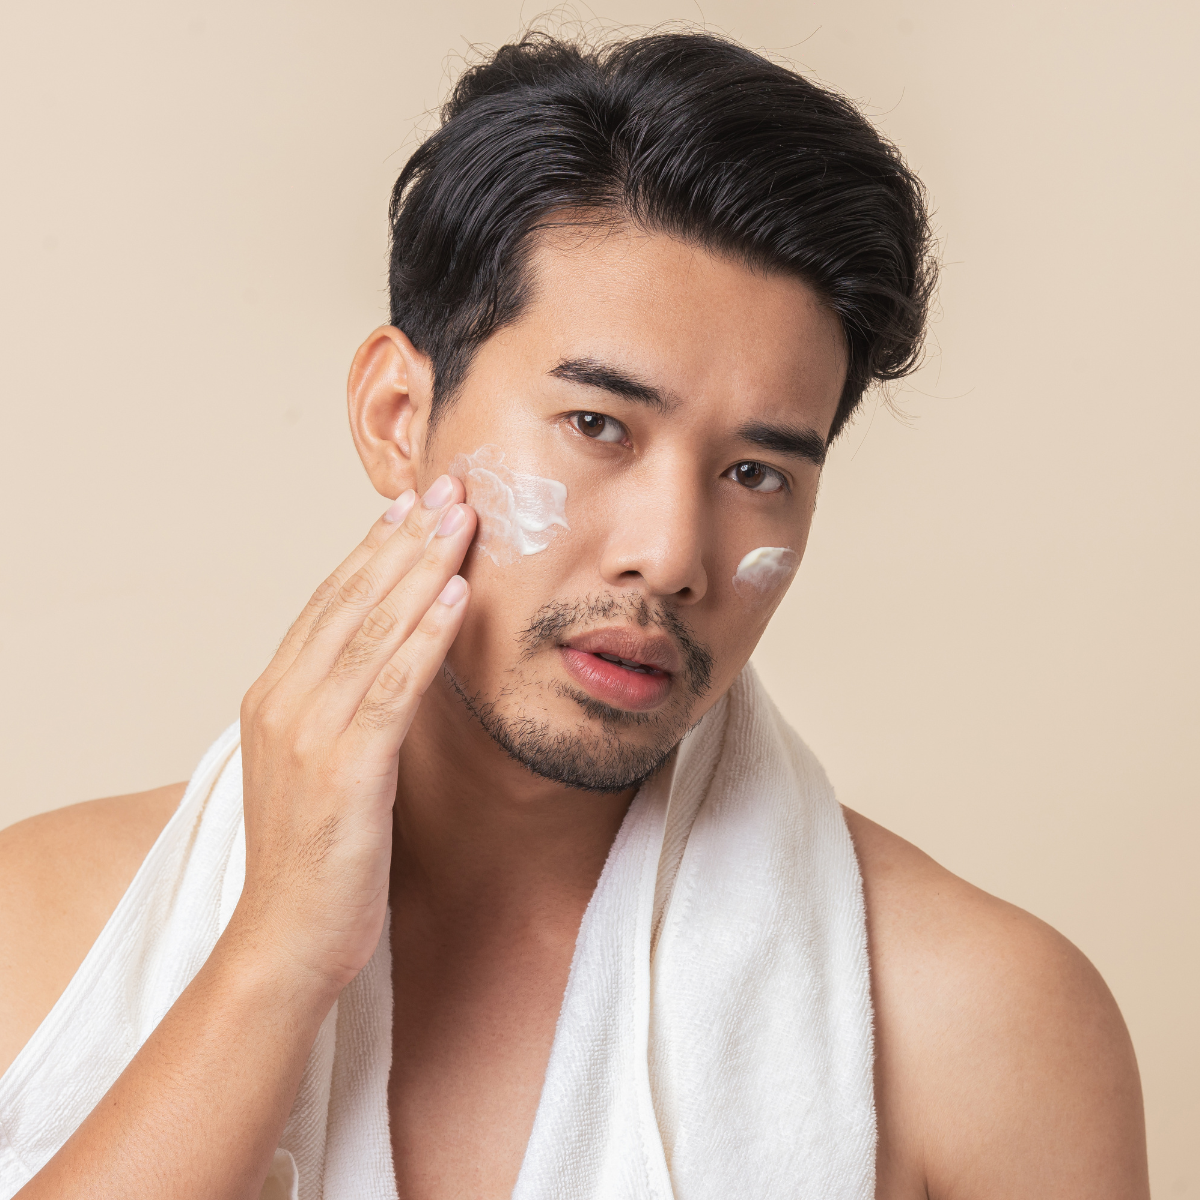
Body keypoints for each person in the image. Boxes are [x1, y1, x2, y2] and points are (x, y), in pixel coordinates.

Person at [0, 30, 1148, 1200]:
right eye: (600, 427)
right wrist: (271, 959)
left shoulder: (981, 1028)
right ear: (401, 414)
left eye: (758, 473)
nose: (672, 556)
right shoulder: (38, 936)